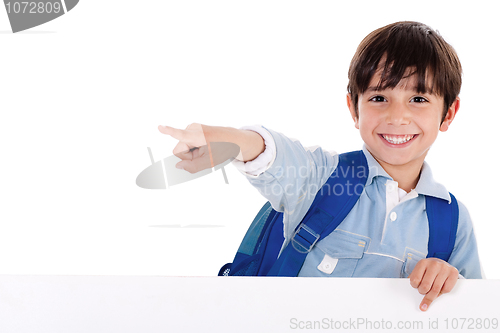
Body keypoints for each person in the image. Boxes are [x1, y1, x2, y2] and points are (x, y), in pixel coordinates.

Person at [158, 21, 483, 312]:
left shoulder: (452, 220)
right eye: (379, 98)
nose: (397, 117)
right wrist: (226, 140)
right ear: (353, 108)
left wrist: (453, 284)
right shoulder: (322, 176)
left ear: (449, 113)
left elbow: (477, 313)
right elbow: (275, 154)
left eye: (419, 99)